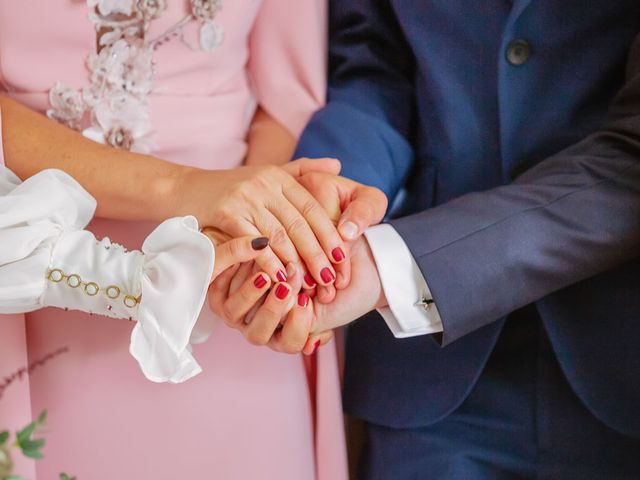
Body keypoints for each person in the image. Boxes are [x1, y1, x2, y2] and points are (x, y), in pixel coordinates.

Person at [213, 2, 640, 478]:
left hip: (618, 362)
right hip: (429, 380)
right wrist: (311, 223)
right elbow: (373, 72)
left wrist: (386, 267)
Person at [0, 1, 382, 478]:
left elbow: (287, 98)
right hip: (29, 251)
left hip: (233, 280)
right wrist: (187, 190)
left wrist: (255, 235)